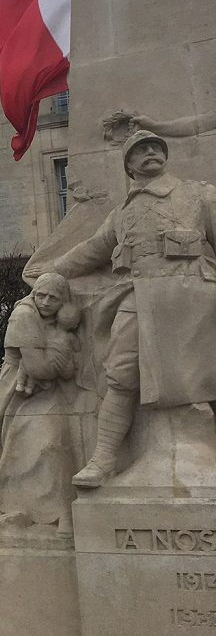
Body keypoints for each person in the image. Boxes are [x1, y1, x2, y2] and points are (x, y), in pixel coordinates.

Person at [50, 130, 216, 487]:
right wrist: (52, 273)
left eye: (156, 147)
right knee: (120, 375)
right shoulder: (121, 213)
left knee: (205, 379)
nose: (151, 152)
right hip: (137, 297)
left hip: (191, 298)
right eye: (141, 150)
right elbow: (91, 251)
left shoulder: (198, 195)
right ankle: (104, 458)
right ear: (129, 165)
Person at [0, 273, 92, 535]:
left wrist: (56, 357)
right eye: (40, 295)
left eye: (53, 298)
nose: (45, 302)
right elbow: (41, 368)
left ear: (64, 302)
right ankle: (29, 509)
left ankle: (59, 513)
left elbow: (65, 369)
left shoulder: (58, 325)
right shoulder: (24, 315)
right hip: (20, 392)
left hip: (47, 392)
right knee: (36, 445)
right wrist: (49, 361)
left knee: (55, 444)